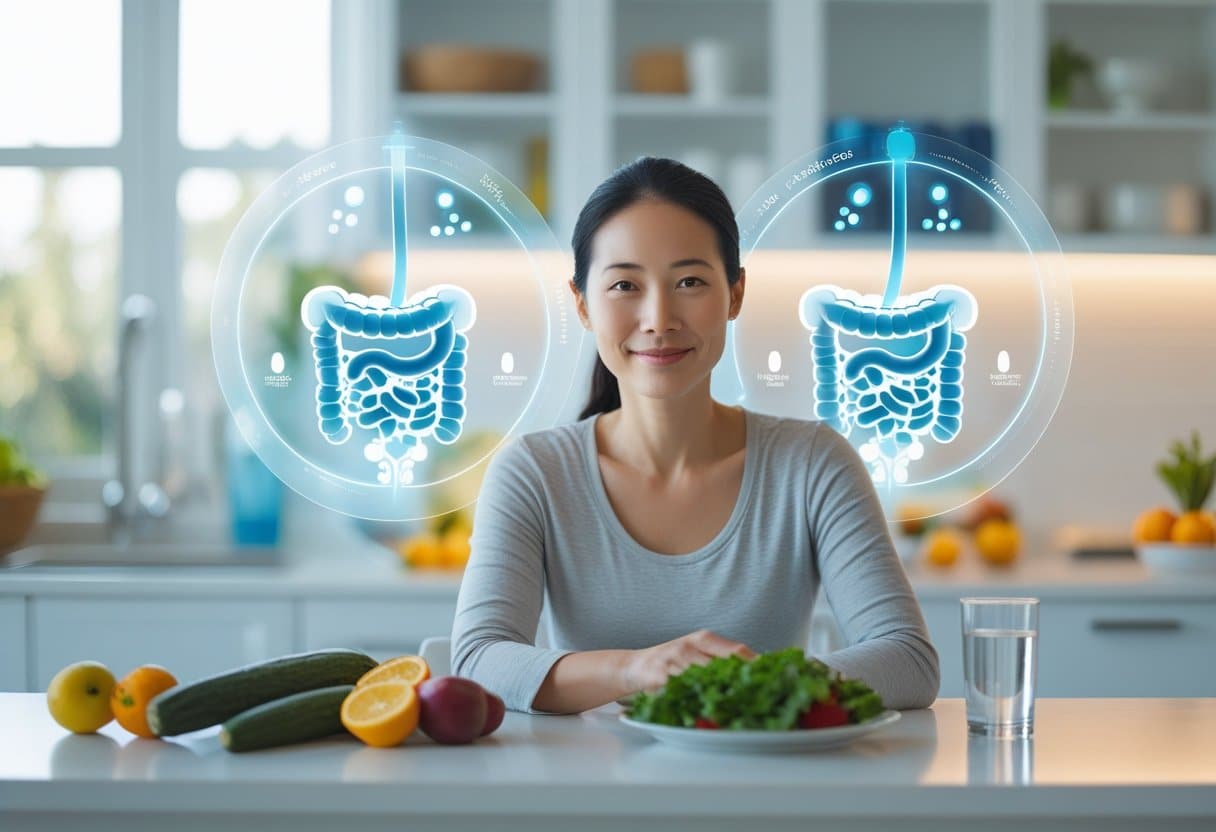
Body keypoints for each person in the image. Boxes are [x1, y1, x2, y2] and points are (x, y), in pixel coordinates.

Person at [451, 157, 940, 714]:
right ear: (582, 304)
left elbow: (909, 661)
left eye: (689, 282)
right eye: (625, 285)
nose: (658, 318)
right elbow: (479, 660)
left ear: (735, 294)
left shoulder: (812, 463)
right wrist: (634, 670)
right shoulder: (534, 472)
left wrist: (743, 683)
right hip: (590, 771)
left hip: (760, 767)